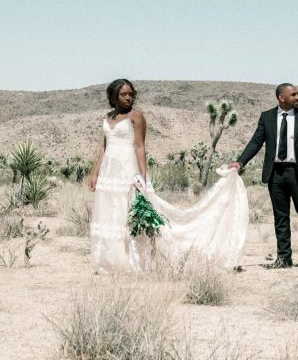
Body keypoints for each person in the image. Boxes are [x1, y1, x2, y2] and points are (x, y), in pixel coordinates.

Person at [88, 79, 249, 274]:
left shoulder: (136, 116)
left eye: (130, 93)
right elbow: (104, 147)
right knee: (111, 215)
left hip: (127, 172)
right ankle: (111, 261)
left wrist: (143, 178)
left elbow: (140, 147)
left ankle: (134, 262)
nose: (128, 97)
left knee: (129, 215)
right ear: (113, 96)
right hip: (108, 174)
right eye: (123, 94)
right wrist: (96, 172)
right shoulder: (108, 117)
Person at [230, 83, 298, 268]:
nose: (297, 97)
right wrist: (240, 162)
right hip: (276, 173)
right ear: (281, 97)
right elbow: (256, 142)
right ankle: (284, 258)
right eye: (293, 94)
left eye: (297, 94)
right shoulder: (267, 117)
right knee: (280, 217)